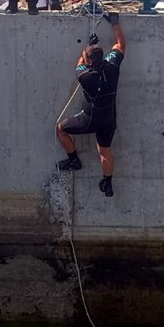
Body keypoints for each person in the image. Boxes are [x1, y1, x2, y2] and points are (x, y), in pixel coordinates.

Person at [56, 14, 126, 198]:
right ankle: (108, 183)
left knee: (60, 129)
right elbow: (120, 45)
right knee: (104, 150)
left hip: (90, 119)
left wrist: (85, 49)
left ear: (89, 61)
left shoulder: (85, 76)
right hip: (109, 119)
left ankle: (73, 161)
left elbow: (80, 65)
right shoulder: (112, 66)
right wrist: (115, 24)